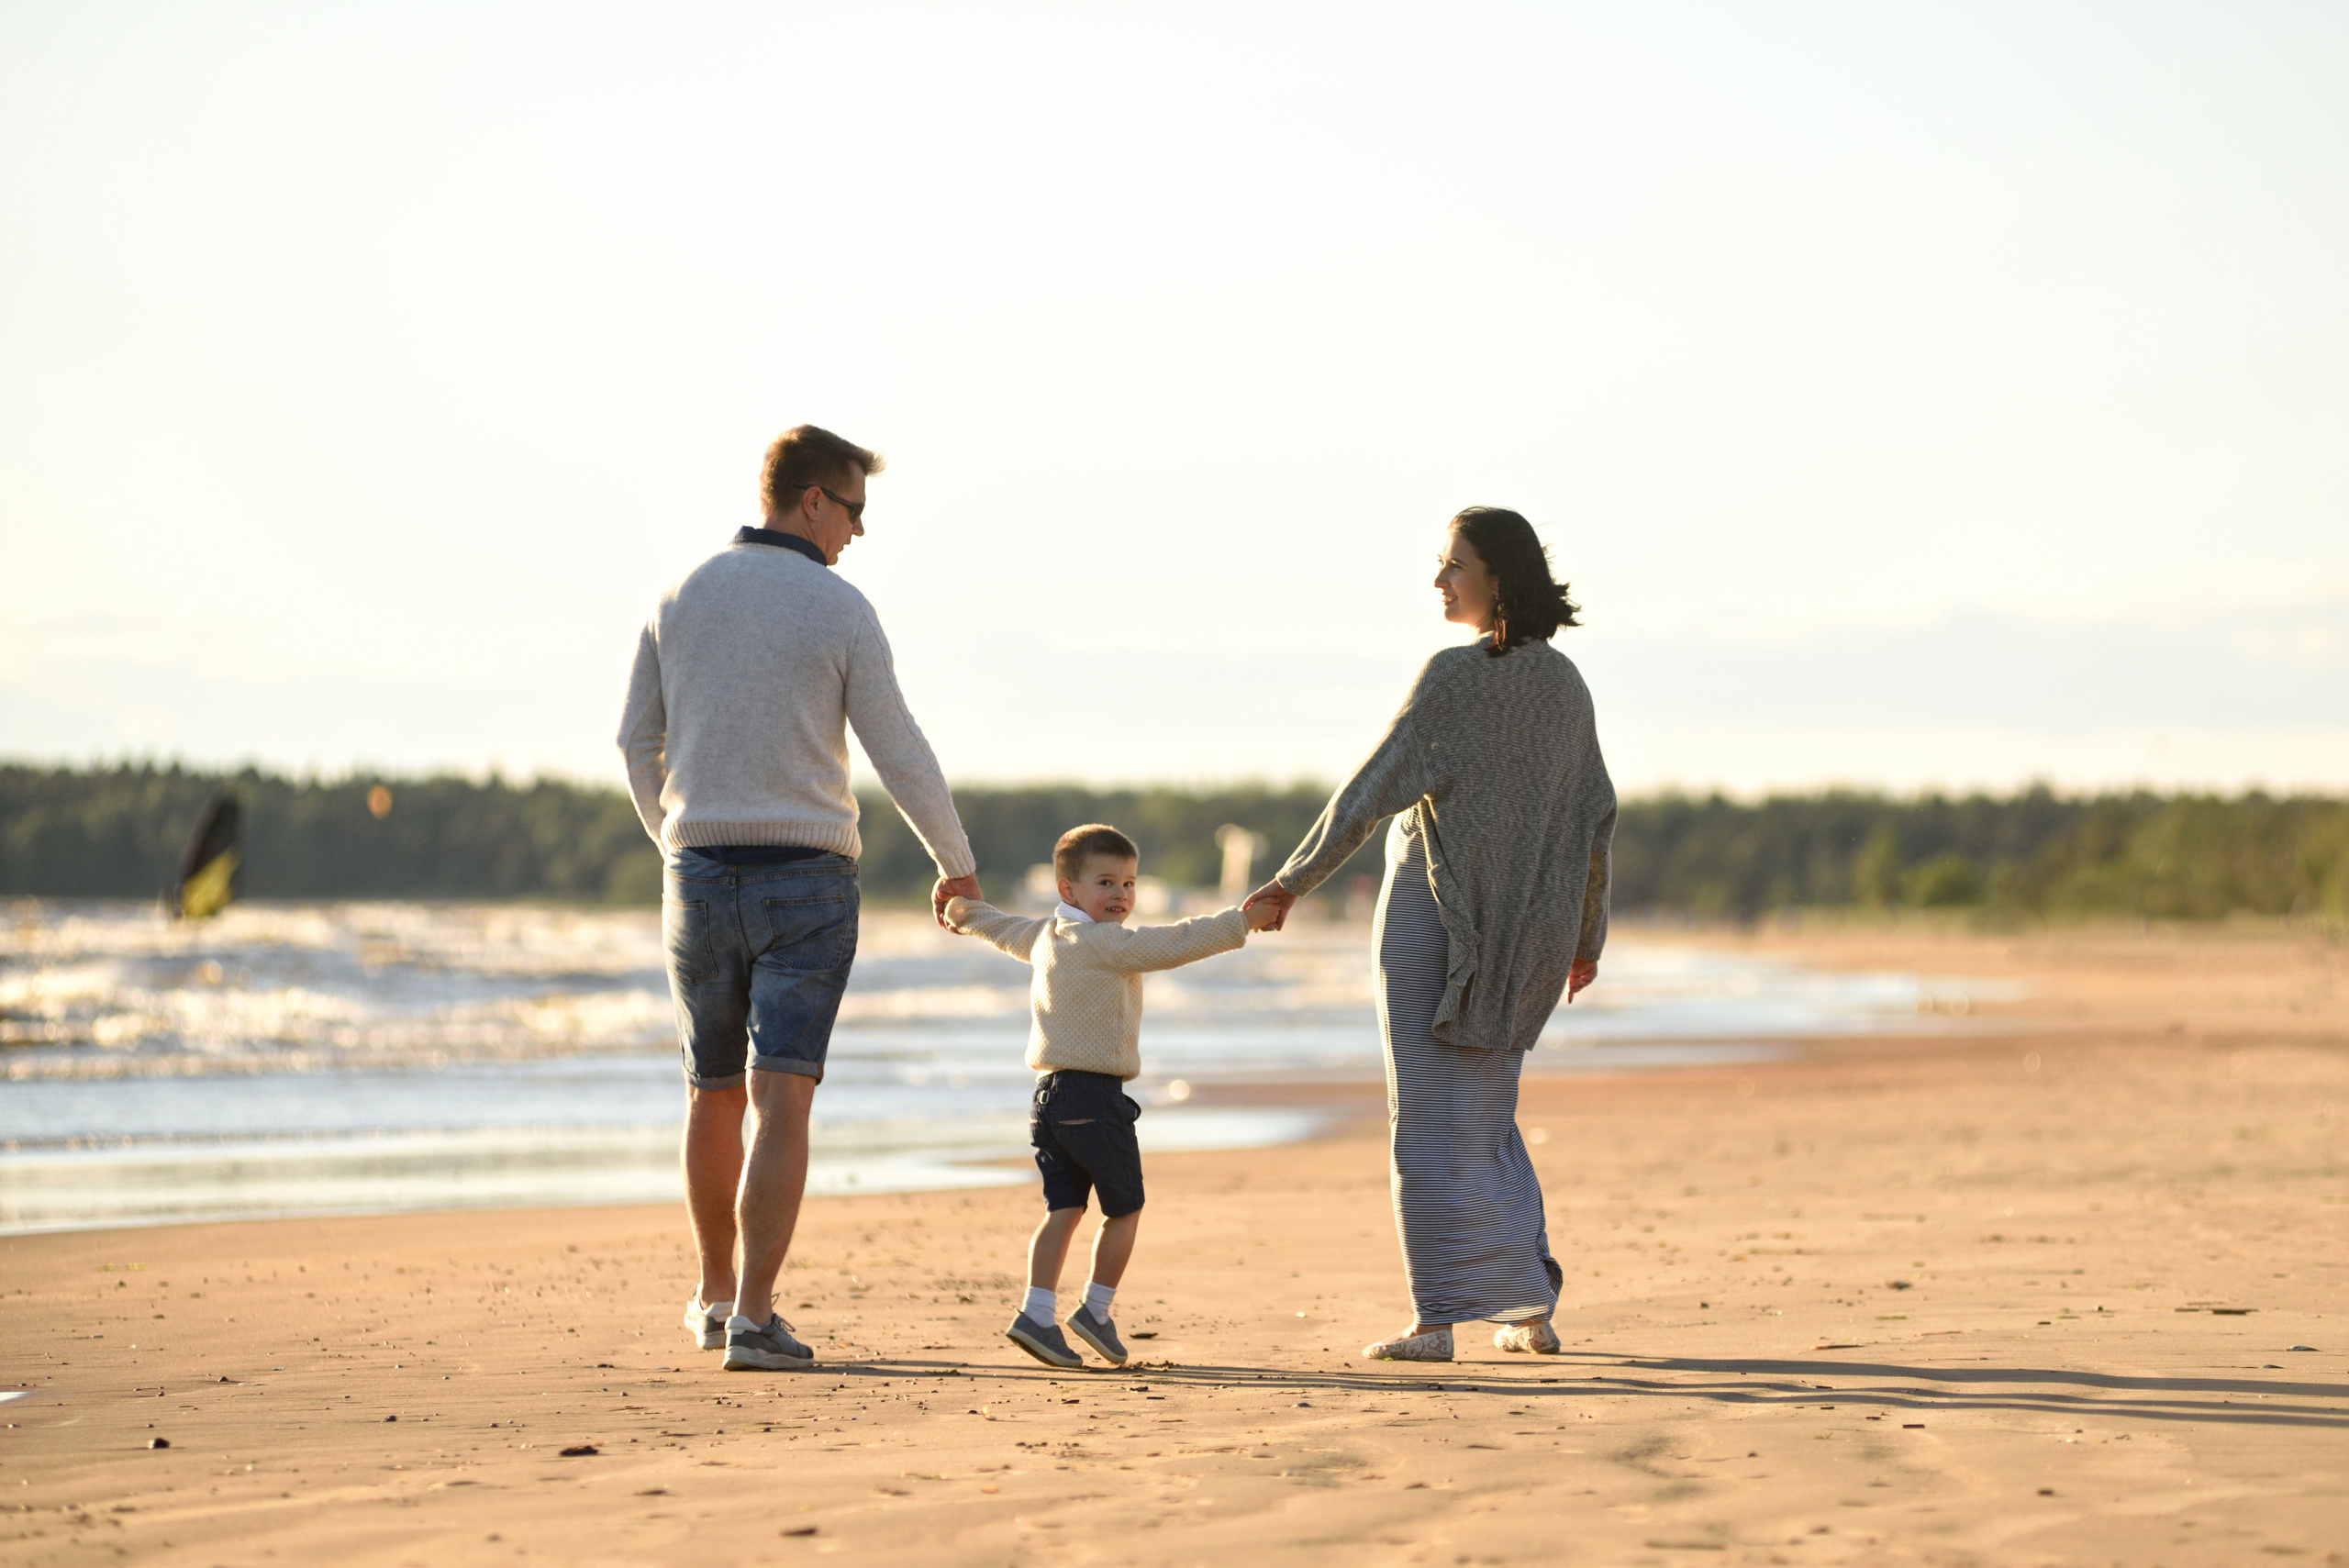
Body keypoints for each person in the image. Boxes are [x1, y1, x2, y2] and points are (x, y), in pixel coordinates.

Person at [616, 424, 982, 1373]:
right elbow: (896, 746)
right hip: (808, 875)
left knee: (710, 1088)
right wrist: (954, 858)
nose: (859, 531)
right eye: (854, 509)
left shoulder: (677, 593)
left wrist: (674, 840)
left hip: (696, 872)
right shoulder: (837, 605)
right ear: (813, 499)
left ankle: (712, 1294)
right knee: (783, 1094)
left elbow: (633, 743)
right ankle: (756, 1317)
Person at [1243, 507, 1615, 1363]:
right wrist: (1585, 934)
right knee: (1485, 1117)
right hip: (1526, 931)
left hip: (1435, 915)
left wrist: (1295, 876)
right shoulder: (1567, 685)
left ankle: (1437, 1320)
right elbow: (1594, 819)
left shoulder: (1455, 674)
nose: (1439, 581)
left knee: (1426, 1118)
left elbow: (1373, 787)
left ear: (1498, 578)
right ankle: (1528, 1306)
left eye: (1454, 565)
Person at [944, 824, 1281, 1367]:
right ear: (1068, 890)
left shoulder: (1046, 936)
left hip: (1048, 1098)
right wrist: (1242, 921)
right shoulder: (1105, 943)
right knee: (1125, 1209)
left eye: (1129, 882)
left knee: (1065, 1209)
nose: (1121, 894)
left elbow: (999, 927)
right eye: (1106, 882)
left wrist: (961, 911)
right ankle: (1095, 1311)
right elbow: (1175, 943)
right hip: (1093, 1099)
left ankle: (1036, 1313)